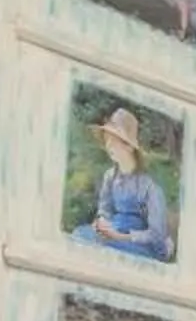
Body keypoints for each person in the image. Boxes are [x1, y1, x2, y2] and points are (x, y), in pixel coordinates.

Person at [73, 107, 174, 261]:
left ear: (128, 146)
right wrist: (101, 223)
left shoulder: (149, 187)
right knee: (79, 235)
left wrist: (121, 236)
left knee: (106, 249)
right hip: (114, 231)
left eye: (114, 141)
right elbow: (105, 210)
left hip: (138, 243)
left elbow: (157, 235)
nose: (109, 147)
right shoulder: (110, 177)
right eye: (107, 141)